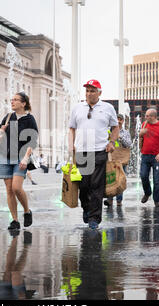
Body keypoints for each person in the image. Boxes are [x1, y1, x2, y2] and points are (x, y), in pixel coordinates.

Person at [68, 79, 119, 230]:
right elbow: (71, 128)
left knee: (96, 186)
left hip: (99, 151)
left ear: (99, 93)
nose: (89, 93)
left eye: (92, 91)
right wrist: (71, 146)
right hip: (82, 151)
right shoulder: (77, 108)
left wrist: (111, 143)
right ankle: (86, 209)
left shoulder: (108, 108)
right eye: (87, 91)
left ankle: (94, 218)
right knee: (83, 185)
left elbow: (115, 128)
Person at [0, 91, 38, 231]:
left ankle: (27, 211)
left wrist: (26, 158)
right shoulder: (8, 117)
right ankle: (14, 220)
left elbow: (32, 141)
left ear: (23, 103)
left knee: (16, 187)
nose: (12, 102)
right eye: (11, 100)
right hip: (5, 156)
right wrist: (1, 131)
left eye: (15, 100)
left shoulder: (29, 119)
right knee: (9, 190)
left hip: (21, 156)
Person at [139, 108, 159, 207]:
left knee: (157, 179)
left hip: (157, 157)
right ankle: (147, 193)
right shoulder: (144, 124)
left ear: (154, 117)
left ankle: (157, 200)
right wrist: (141, 133)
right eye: (146, 115)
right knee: (143, 175)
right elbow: (140, 137)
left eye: (148, 116)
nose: (146, 117)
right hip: (145, 156)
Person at [104, 114, 132, 207]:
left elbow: (129, 144)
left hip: (121, 158)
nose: (119, 121)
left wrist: (120, 137)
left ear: (123, 121)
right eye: (117, 119)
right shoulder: (108, 131)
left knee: (120, 179)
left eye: (120, 119)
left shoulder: (126, 132)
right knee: (110, 178)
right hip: (110, 158)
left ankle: (119, 200)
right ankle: (109, 199)